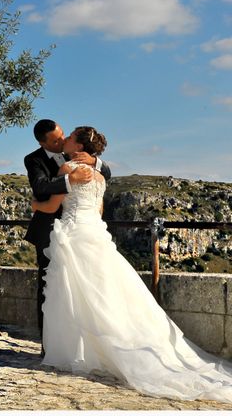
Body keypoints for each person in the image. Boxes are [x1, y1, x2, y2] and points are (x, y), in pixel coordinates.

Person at [31, 126, 232, 403]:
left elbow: (51, 206)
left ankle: (78, 352)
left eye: (70, 136)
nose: (64, 139)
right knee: (105, 293)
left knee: (73, 293)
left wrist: (34, 205)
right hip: (94, 232)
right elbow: (99, 209)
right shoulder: (100, 176)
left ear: (78, 146)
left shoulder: (67, 169)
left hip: (74, 234)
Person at [24, 119, 111, 355]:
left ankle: (74, 348)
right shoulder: (34, 160)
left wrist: (93, 160)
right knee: (48, 288)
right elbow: (41, 187)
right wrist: (69, 181)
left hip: (74, 231)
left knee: (77, 290)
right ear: (43, 143)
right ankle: (49, 346)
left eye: (63, 136)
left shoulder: (85, 162)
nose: (62, 141)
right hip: (51, 232)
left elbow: (107, 170)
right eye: (55, 140)